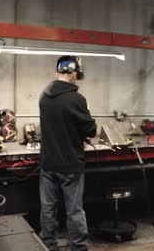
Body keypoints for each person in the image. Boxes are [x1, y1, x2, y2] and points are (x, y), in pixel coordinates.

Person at [39, 56, 97, 251]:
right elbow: (90, 130)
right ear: (74, 73)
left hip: (48, 163)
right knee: (74, 210)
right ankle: (79, 248)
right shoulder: (76, 98)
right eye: (76, 75)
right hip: (70, 164)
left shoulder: (44, 96)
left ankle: (48, 245)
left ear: (58, 73)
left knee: (48, 208)